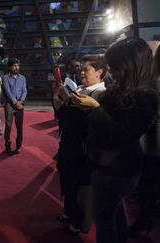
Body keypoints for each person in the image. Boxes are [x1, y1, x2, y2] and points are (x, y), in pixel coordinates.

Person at [72, 38, 159, 243]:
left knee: (105, 222)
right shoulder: (124, 87)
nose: (110, 72)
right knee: (114, 214)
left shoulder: (146, 95)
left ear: (129, 64)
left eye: (114, 67)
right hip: (107, 164)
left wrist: (95, 109)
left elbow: (123, 135)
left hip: (117, 168)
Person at [56, 54, 107, 234]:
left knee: (82, 188)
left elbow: (94, 123)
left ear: (100, 72)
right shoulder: (81, 88)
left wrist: (69, 100)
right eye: (81, 69)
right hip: (70, 144)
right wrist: (63, 100)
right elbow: (66, 116)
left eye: (86, 70)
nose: (82, 73)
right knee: (69, 182)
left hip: (83, 149)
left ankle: (81, 223)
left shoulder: (101, 94)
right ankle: (70, 213)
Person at [128, 43, 160, 236]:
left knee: (148, 183)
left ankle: (145, 219)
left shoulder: (149, 83)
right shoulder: (150, 82)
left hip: (151, 144)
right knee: (148, 183)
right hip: (150, 141)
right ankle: (146, 217)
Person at [2, 58, 27, 155]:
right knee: (8, 127)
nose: (17, 67)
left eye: (18, 65)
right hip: (9, 105)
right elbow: (7, 92)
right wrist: (15, 102)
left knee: (19, 127)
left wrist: (21, 101)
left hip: (20, 104)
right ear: (10, 67)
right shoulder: (5, 78)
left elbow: (25, 91)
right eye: (14, 65)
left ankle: (19, 145)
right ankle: (7, 145)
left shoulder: (22, 78)